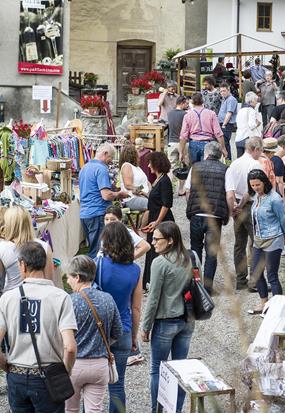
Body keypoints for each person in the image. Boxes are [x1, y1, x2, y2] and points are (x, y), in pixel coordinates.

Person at [0, 241, 77, 413]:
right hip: (49, 376)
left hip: (16, 375)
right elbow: (70, 347)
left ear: (22, 265)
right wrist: (66, 371)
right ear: (46, 264)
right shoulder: (61, 297)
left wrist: (7, 366)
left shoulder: (7, 299)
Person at [141, 221, 197, 413]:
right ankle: (177, 410)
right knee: (180, 369)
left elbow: (153, 298)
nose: (153, 242)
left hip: (166, 322)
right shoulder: (191, 257)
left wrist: (145, 326)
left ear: (170, 241)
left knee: (158, 369)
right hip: (187, 320)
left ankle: (156, 410)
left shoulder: (160, 263)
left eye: (157, 239)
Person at [65, 256, 123, 413]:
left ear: (77, 277)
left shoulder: (69, 301)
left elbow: (62, 337)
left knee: (71, 409)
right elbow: (118, 331)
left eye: (69, 277)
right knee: (95, 410)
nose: (68, 281)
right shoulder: (107, 299)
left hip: (74, 364)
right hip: (100, 365)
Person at [97, 222, 142, 413]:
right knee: (118, 384)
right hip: (123, 329)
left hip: (99, 330)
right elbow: (136, 307)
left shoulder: (98, 264)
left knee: (94, 385)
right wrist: (133, 337)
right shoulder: (135, 270)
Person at [185, 141, 229, 294]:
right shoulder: (225, 170)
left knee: (195, 249)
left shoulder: (195, 167)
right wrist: (227, 214)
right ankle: (208, 287)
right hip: (215, 215)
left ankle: (196, 283)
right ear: (220, 155)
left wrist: (190, 209)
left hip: (197, 213)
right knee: (211, 252)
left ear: (206, 153)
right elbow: (229, 194)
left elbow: (188, 191)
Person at [247, 169, 285, 313]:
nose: (255, 188)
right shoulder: (256, 197)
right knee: (256, 272)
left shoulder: (274, 198)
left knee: (272, 274)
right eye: (252, 185)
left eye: (257, 185)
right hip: (258, 239)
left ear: (264, 182)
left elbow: (283, 218)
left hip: (274, 238)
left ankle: (277, 307)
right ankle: (264, 302)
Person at [225, 137, 263, 290]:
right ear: (255, 149)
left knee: (239, 244)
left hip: (236, 206)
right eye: (260, 150)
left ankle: (241, 280)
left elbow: (229, 193)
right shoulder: (255, 164)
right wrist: (240, 205)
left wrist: (232, 208)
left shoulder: (234, 164)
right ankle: (254, 281)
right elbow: (252, 188)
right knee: (257, 243)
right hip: (250, 205)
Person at [79, 143, 128, 258]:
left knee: (94, 247)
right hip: (98, 213)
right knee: (98, 251)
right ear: (105, 154)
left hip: (85, 214)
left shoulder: (85, 167)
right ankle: (95, 274)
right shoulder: (101, 169)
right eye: (111, 157)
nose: (110, 161)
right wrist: (119, 194)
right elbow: (106, 195)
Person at [141, 152, 174, 290]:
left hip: (161, 220)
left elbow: (166, 204)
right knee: (152, 249)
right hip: (155, 218)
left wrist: (158, 222)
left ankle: (156, 282)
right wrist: (144, 194)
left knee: (158, 250)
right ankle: (151, 281)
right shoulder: (159, 179)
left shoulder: (164, 181)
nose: (148, 165)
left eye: (150, 163)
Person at [4, 206, 54, 283]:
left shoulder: (3, 248)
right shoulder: (44, 246)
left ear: (8, 225)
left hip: (11, 293)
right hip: (39, 293)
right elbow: (49, 280)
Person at [179, 93, 227, 164]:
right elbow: (218, 133)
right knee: (207, 169)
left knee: (195, 170)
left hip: (193, 145)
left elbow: (183, 136)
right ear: (203, 101)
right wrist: (223, 148)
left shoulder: (187, 115)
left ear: (192, 102)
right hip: (208, 144)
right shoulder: (211, 114)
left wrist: (181, 152)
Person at [167, 95, 189, 196]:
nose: (187, 105)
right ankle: (181, 189)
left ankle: (168, 190)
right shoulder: (185, 114)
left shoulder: (169, 113)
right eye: (186, 103)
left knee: (171, 168)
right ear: (182, 103)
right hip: (183, 143)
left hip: (171, 142)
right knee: (184, 167)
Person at [119, 143, 150, 212]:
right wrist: (142, 192)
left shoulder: (137, 168)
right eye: (137, 153)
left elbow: (146, 182)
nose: (139, 155)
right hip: (132, 198)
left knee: (159, 203)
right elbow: (128, 185)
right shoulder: (127, 166)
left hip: (143, 195)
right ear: (133, 155)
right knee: (152, 205)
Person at [262, 136, 285, 202]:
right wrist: (282, 199)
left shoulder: (264, 159)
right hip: (274, 193)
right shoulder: (277, 160)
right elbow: (279, 182)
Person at [235, 92, 262, 158]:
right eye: (256, 100)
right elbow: (252, 125)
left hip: (238, 137)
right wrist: (258, 123)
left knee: (240, 159)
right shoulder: (251, 111)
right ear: (252, 101)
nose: (256, 103)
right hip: (247, 138)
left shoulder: (241, 110)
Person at [218, 82, 238, 160]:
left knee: (225, 144)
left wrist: (224, 124)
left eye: (224, 91)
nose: (222, 93)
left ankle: (228, 162)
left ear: (228, 90)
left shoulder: (231, 99)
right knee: (222, 144)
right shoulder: (224, 99)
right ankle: (226, 161)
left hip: (227, 124)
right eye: (221, 91)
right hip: (222, 124)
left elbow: (229, 113)